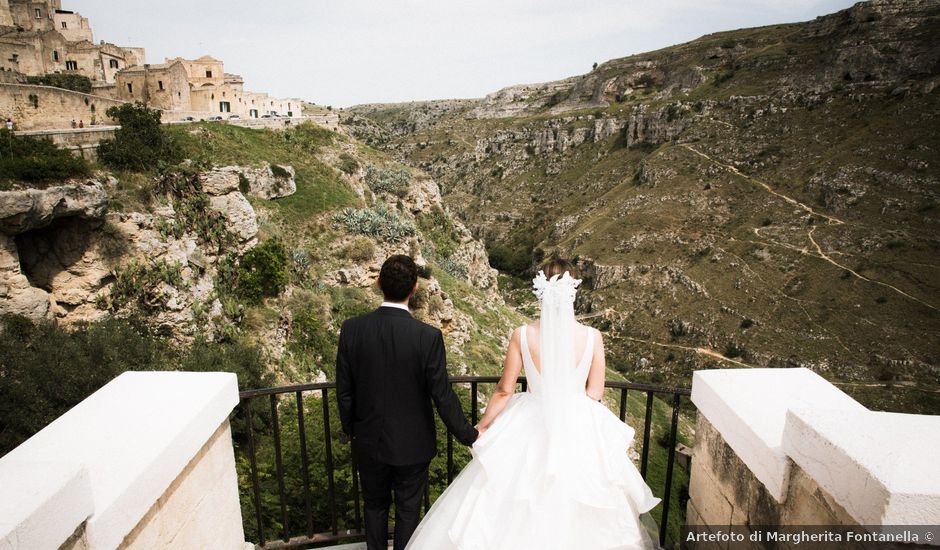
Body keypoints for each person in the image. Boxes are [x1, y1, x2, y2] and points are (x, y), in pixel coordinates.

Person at [406, 259, 660, 550]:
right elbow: (596, 392)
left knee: (510, 500)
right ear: (572, 293)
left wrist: (483, 426)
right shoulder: (592, 337)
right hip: (580, 423)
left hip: (528, 419)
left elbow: (504, 390)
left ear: (540, 292)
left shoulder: (523, 335)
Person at [336, 255, 479, 550]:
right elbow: (442, 394)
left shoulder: (352, 329)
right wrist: (468, 434)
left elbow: (345, 390)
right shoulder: (428, 337)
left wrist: (352, 429)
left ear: (378, 284)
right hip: (413, 444)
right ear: (414, 288)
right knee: (408, 510)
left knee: (374, 506)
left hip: (369, 439)